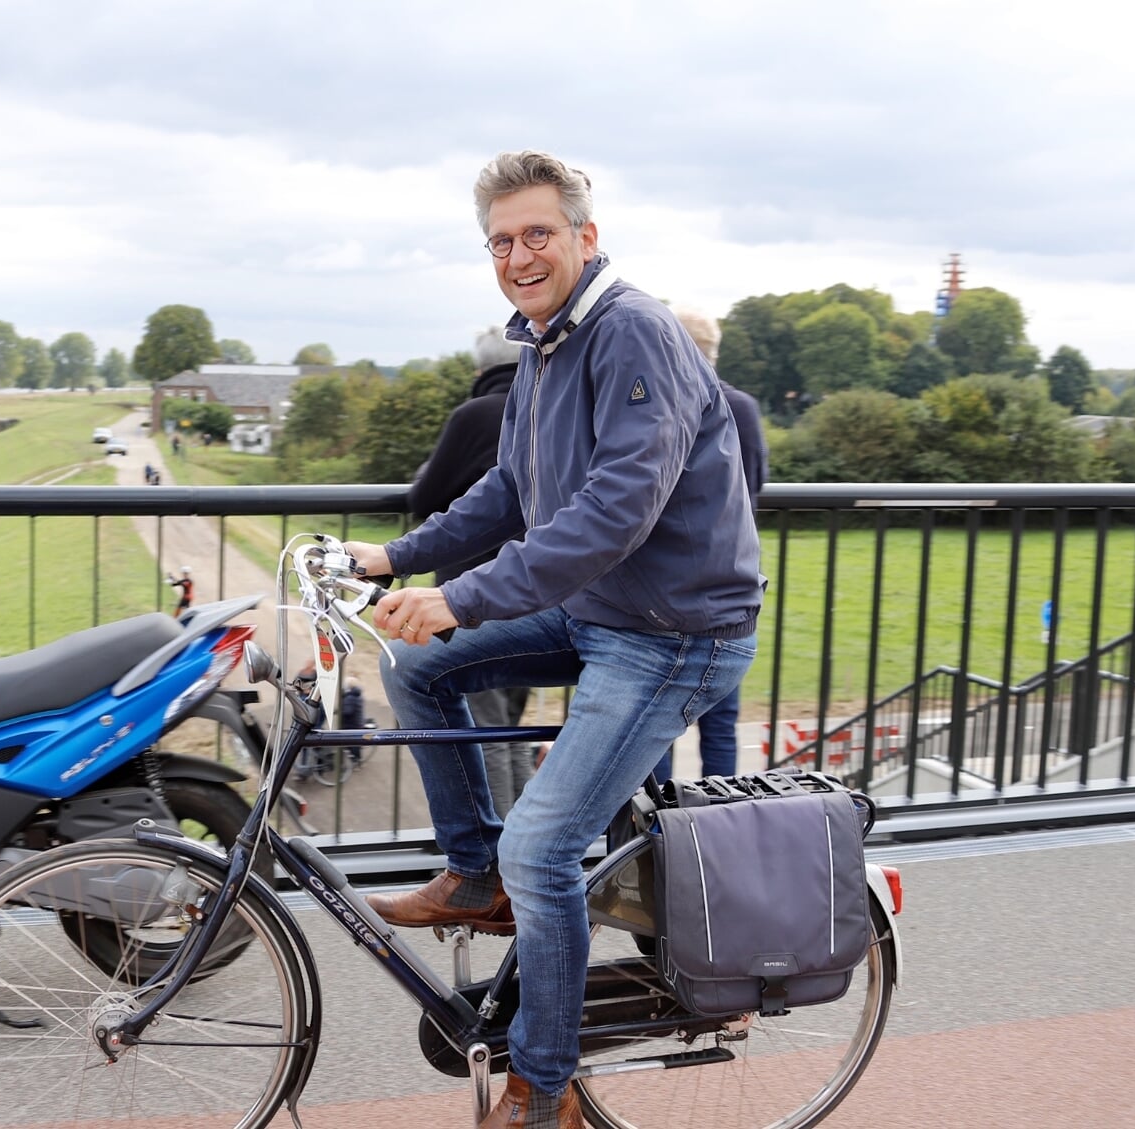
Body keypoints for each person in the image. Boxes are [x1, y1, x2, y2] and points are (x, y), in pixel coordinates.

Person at [346, 151, 762, 1129]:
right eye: (499, 240)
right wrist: (394, 558)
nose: (517, 254)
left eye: (536, 233)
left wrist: (465, 597)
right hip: (602, 609)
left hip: (673, 632)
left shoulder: (634, 335)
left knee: (546, 844)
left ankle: (544, 1085)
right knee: (412, 662)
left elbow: (613, 511)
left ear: (584, 235)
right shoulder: (543, 339)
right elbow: (507, 489)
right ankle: (474, 871)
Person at [408, 325, 534, 815]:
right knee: (513, 727)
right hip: (536, 590)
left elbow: (425, 494)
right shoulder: (548, 407)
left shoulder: (475, 415)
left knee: (485, 729)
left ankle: (500, 862)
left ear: (481, 370)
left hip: (472, 594)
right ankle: (524, 844)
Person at [663, 307, 768, 780]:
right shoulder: (740, 406)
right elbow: (756, 482)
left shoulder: (662, 403)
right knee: (722, 721)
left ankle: (651, 824)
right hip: (731, 579)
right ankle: (717, 821)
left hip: (668, 583)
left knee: (654, 718)